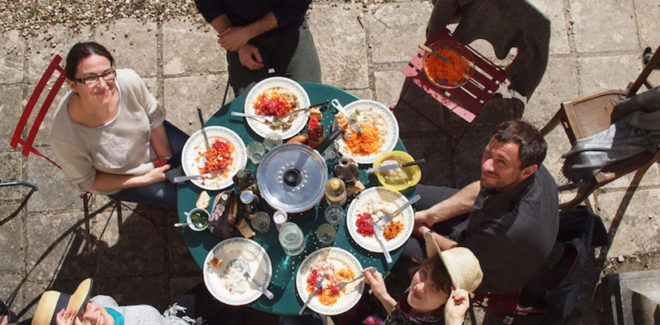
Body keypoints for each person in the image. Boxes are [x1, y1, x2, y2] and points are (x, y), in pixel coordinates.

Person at [409, 120, 559, 294]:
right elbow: (483, 187)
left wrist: (421, 231)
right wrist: (429, 216)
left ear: (528, 171)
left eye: (501, 162)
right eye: (488, 154)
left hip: (480, 265)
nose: (487, 166)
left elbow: (464, 256)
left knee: (394, 244)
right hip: (481, 228)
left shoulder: (507, 230)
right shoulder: (527, 167)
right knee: (410, 197)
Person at [50, 42, 188, 211]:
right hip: (126, 178)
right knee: (185, 202)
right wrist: (146, 178)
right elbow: (89, 182)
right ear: (72, 85)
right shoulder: (65, 138)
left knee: (209, 160)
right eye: (90, 78)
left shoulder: (128, 80)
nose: (102, 84)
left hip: (153, 139)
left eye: (107, 73)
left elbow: (154, 120)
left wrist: (167, 161)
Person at [194, 0, 322, 96]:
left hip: (289, 30)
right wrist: (240, 46)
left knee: (312, 97)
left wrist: (247, 33)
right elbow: (207, 5)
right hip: (240, 35)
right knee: (249, 109)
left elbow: (297, 5)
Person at [363, 232, 483, 325]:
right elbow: (401, 318)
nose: (419, 287)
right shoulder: (418, 300)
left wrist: (453, 321)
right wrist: (383, 295)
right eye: (424, 273)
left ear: (448, 301)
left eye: (436, 287)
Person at [31, 278, 231, 325]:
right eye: (82, 322)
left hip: (174, 319)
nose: (95, 314)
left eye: (85, 306)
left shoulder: (102, 302)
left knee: (222, 285)